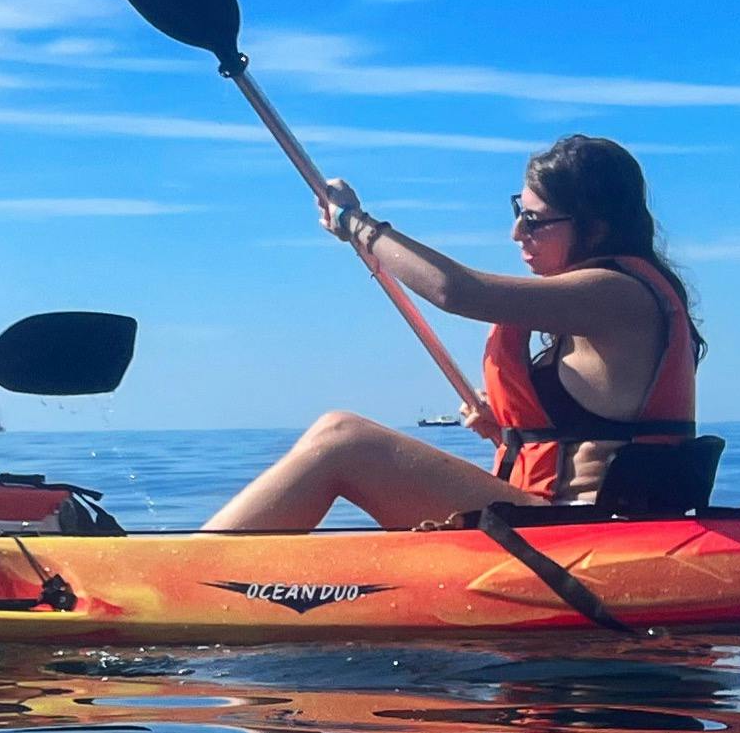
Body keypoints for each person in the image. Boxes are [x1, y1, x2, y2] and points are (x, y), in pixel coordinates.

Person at [200, 133, 702, 531]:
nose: (516, 233)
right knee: (341, 437)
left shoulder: (617, 293)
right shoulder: (601, 301)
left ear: (594, 229)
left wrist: (357, 225)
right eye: (517, 212)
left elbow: (457, 291)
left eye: (534, 220)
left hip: (581, 534)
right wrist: (505, 434)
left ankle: (187, 572)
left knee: (341, 438)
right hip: (559, 524)